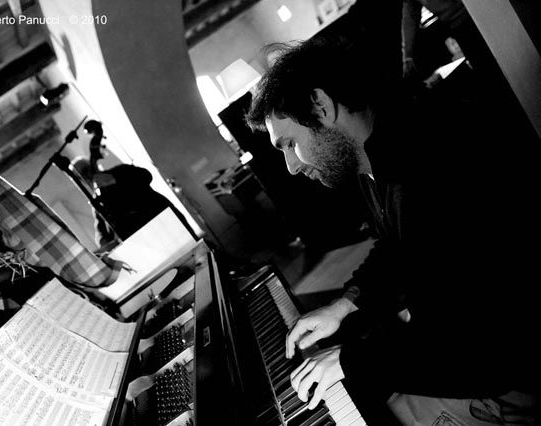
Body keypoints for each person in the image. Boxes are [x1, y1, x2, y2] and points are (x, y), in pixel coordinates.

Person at [245, 13, 540, 426]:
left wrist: (350, 359)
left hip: (507, 384)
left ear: (320, 106)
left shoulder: (436, 167)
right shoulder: (378, 157)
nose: (291, 167)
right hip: (457, 352)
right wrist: (345, 304)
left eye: (290, 144)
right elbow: (398, 247)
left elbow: (486, 353)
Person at [93, 164, 195, 245]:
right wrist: (103, 241)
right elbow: (100, 229)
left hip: (166, 221)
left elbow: (146, 175)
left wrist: (115, 178)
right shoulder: (98, 199)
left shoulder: (120, 170)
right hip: (148, 240)